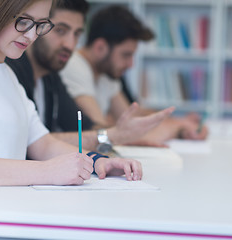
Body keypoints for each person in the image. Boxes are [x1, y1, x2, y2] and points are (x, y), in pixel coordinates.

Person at [0, 0, 142, 187]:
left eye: (40, 25)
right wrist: (46, 171)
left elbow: (43, 144)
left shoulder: (8, 76)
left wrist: (98, 162)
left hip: (9, 208)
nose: (32, 35)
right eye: (23, 21)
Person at [5, 0, 175, 151]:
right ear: (39, 25)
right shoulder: (12, 70)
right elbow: (29, 142)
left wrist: (125, 137)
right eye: (61, 30)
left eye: (77, 34)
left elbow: (85, 127)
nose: (70, 45)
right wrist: (116, 136)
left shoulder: (50, 77)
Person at [60, 5, 209, 143]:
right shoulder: (74, 66)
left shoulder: (105, 73)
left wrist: (180, 122)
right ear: (100, 47)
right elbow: (104, 133)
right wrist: (176, 128)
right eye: (126, 55)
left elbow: (131, 118)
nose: (131, 64)